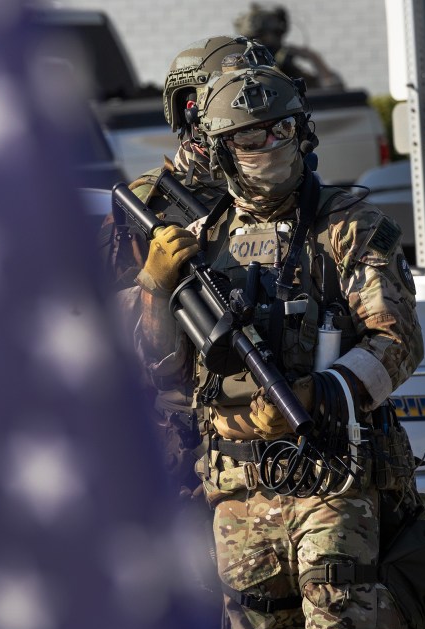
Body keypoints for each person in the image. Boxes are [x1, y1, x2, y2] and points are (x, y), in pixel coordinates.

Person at [135, 62, 423, 629]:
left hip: (332, 478)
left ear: (304, 133)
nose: (269, 147)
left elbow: (396, 341)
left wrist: (320, 391)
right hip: (237, 495)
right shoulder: (195, 239)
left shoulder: (349, 226)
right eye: (249, 137)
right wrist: (154, 290)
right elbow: (156, 368)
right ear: (219, 149)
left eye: (281, 130)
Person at [103, 36, 275, 500]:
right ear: (192, 107)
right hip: (187, 446)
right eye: (232, 96)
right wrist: (153, 285)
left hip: (276, 431)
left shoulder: (290, 195)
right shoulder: (145, 206)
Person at [233, 3, 344, 90]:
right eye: (255, 38)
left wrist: (313, 57)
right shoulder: (239, 69)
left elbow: (332, 90)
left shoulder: (290, 70)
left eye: (265, 37)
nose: (261, 44)